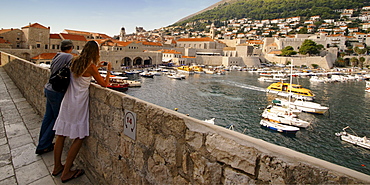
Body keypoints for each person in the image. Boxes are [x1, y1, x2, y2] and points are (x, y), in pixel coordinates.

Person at [52, 40, 111, 183]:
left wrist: (96, 67)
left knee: (61, 135)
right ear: (96, 53)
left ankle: (57, 167)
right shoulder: (91, 67)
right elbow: (104, 84)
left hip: (67, 101)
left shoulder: (75, 61)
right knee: (79, 137)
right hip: (78, 104)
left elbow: (82, 71)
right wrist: (108, 70)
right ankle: (66, 173)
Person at [35, 40, 74, 155]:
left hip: (49, 88)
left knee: (48, 118)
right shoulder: (68, 56)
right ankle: (43, 145)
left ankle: (42, 142)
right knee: (57, 119)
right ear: (70, 48)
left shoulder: (57, 55)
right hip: (57, 91)